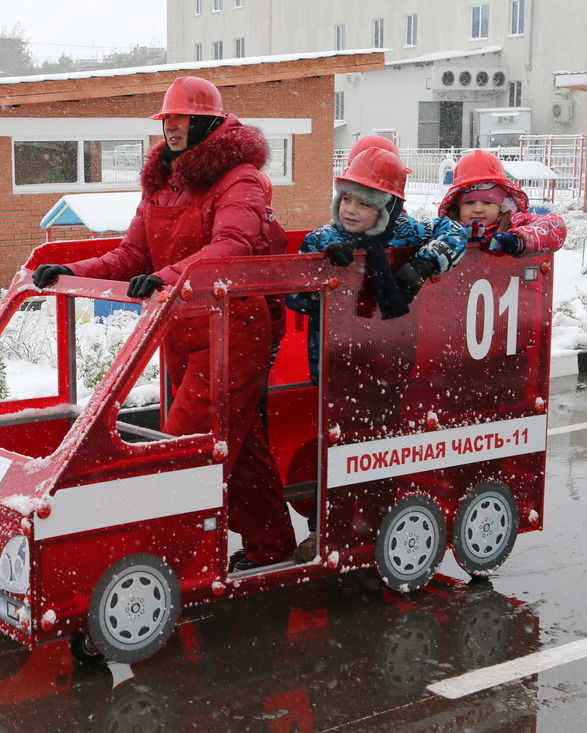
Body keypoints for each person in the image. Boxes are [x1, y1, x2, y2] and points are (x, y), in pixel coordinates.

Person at [32, 76, 297, 571]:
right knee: (234, 447)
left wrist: (164, 277)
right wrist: (72, 271)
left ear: (208, 123)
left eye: (181, 119)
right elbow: (132, 254)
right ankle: (272, 546)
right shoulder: (163, 182)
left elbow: (232, 248)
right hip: (178, 327)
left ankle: (156, 566)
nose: (171, 127)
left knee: (179, 450)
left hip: (231, 329)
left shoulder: (239, 180)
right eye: (166, 120)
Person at [284, 145, 468, 562]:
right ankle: (324, 530)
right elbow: (294, 297)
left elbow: (456, 232)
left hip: (389, 362)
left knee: (378, 446)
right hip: (335, 366)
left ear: (389, 207)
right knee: (334, 447)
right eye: (346, 197)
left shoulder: (410, 234)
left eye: (364, 203)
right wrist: (325, 273)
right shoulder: (324, 239)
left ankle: (376, 524)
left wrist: (423, 266)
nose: (349, 209)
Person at [437, 149, 567, 255]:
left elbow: (555, 226)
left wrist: (519, 241)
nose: (478, 209)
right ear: (457, 206)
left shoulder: (515, 221)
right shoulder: (447, 228)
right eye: (469, 203)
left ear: (502, 205)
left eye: (487, 203)